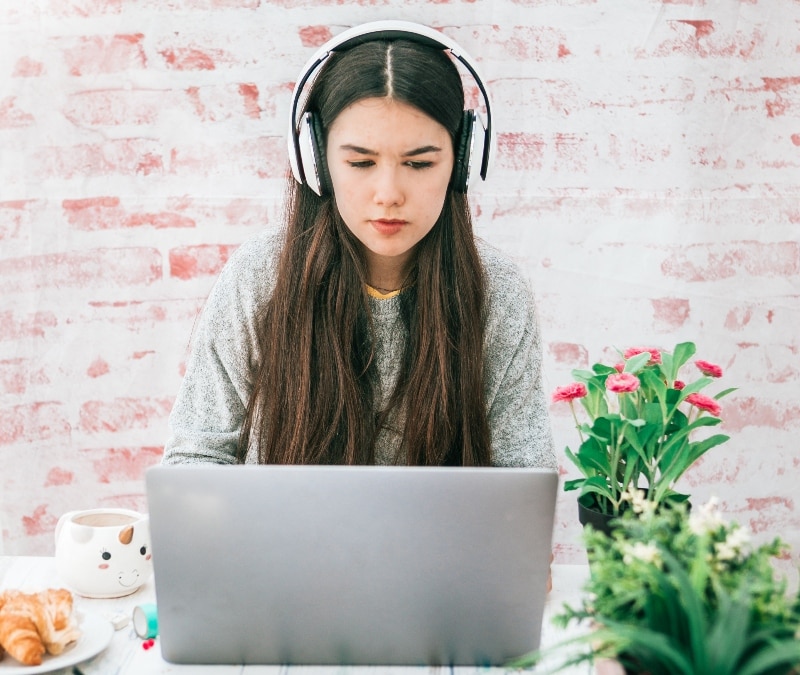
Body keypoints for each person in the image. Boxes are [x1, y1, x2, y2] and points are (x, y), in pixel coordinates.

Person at [162, 21, 556, 470]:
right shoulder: (260, 274)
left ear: (463, 161)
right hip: (277, 543)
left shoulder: (497, 291)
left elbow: (523, 474)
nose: (388, 193)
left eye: (420, 163)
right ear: (316, 162)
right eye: (360, 162)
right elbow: (196, 455)